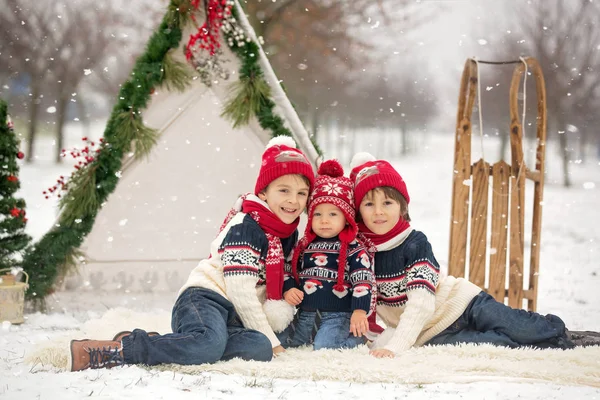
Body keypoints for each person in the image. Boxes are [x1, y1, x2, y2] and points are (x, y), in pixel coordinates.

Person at [68, 136, 315, 371]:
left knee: (259, 348)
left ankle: (181, 343)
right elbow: (240, 291)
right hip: (205, 299)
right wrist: (275, 343)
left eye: (301, 193)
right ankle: (120, 350)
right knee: (213, 344)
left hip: (234, 316)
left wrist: (270, 340)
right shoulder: (246, 228)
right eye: (283, 190)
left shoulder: (287, 233)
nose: (293, 200)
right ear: (263, 193)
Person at [348, 152, 582, 359]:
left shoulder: (415, 243)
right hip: (431, 333)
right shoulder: (361, 254)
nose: (378, 211)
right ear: (358, 211)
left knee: (522, 329)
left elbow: (420, 304)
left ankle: (564, 335)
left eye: (387, 202)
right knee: (498, 345)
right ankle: (546, 344)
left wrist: (396, 347)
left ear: (402, 207)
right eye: (369, 204)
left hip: (463, 304)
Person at [278, 159, 376, 350]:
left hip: (338, 314)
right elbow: (288, 269)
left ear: (346, 219)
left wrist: (359, 310)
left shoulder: (353, 248)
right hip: (306, 312)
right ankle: (313, 337)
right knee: (286, 342)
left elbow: (363, 281)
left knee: (325, 346)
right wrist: (289, 288)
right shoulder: (304, 245)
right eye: (317, 214)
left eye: (333, 214)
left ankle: (357, 341)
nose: (324, 221)